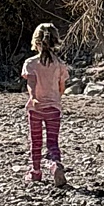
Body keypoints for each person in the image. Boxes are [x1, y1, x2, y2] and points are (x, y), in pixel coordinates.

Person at [22, 22, 69, 187]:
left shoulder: (30, 63)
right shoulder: (59, 64)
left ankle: (36, 172)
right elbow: (61, 87)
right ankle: (55, 164)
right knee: (52, 142)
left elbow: (31, 83)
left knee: (36, 141)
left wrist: (34, 97)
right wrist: (56, 98)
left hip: (36, 108)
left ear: (36, 41)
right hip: (53, 108)